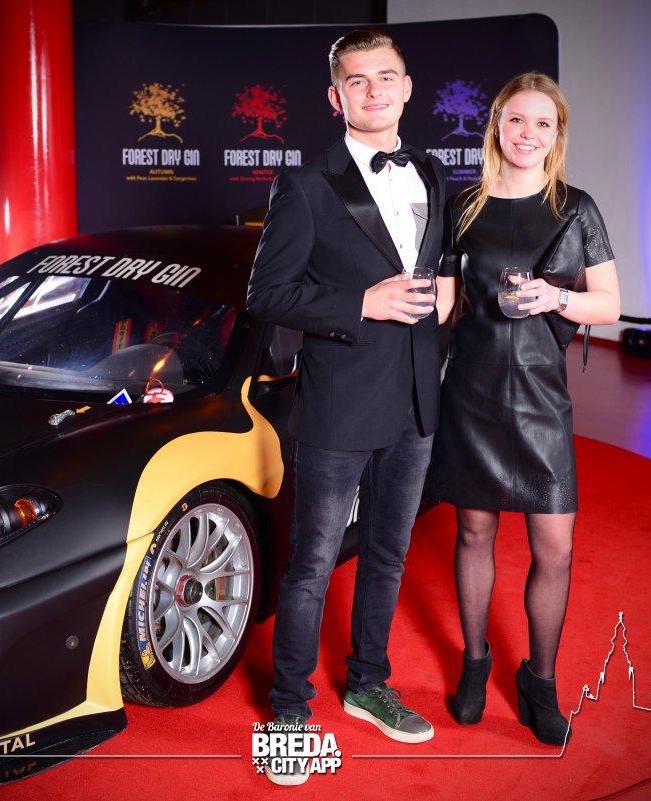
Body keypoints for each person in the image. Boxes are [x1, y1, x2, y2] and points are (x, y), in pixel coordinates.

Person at [246, 27, 449, 785]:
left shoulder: (432, 171)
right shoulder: (305, 184)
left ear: (407, 87)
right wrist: (360, 302)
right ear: (336, 98)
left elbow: (435, 272)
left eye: (385, 77)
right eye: (356, 81)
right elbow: (267, 294)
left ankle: (368, 683)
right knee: (312, 563)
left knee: (389, 554)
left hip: (416, 399)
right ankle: (289, 712)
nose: (373, 91)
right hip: (338, 401)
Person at [427, 72, 621, 745]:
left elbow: (610, 304)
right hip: (472, 393)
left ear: (557, 134)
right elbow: (444, 306)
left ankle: (540, 679)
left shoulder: (577, 208)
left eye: (543, 123)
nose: (527, 134)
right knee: (473, 534)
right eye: (516, 120)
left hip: (542, 398)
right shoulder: (463, 207)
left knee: (556, 549)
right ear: (496, 127)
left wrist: (556, 297)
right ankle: (475, 662)